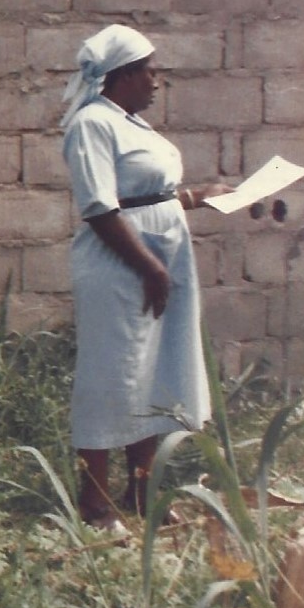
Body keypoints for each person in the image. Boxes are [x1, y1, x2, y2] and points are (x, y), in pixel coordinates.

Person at [61, 26, 213, 527]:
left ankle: (142, 494)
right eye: (149, 70)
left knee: (150, 373)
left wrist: (202, 195)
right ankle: (94, 501)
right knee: (111, 374)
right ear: (122, 75)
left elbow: (149, 196)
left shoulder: (133, 125)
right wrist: (149, 266)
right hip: (120, 264)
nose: (156, 80)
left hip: (159, 261)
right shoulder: (92, 125)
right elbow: (101, 208)